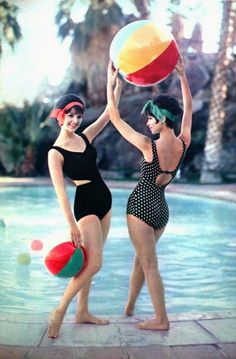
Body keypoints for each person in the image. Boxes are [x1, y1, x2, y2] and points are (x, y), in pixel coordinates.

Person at [107, 56, 192, 330]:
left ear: (163, 119)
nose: (147, 123)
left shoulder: (148, 146)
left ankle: (161, 319)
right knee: (140, 262)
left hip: (141, 206)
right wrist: (182, 76)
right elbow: (188, 108)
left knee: (149, 265)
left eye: (151, 118)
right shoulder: (183, 143)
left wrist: (113, 86)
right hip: (161, 210)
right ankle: (129, 308)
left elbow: (115, 117)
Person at [47, 84, 122, 338]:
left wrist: (115, 85)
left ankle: (83, 311)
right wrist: (71, 224)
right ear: (60, 117)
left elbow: (109, 114)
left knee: (90, 261)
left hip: (105, 200)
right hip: (86, 204)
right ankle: (59, 310)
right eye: (70, 116)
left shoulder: (85, 137)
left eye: (79, 116)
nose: (75, 121)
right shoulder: (55, 153)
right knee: (94, 263)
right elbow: (61, 192)